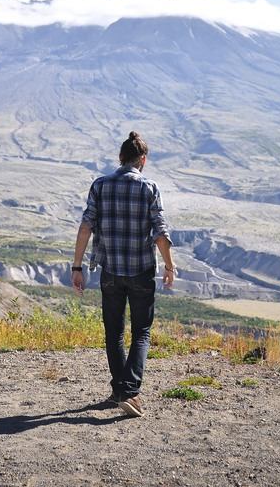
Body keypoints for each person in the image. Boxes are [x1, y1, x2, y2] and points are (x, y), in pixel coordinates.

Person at [71, 131, 175, 418]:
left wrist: (77, 267)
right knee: (141, 332)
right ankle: (129, 391)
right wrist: (169, 265)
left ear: (120, 158)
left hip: (110, 270)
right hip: (141, 270)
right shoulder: (149, 188)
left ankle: (120, 391)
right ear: (143, 160)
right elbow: (161, 233)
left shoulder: (100, 185)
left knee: (114, 333)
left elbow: (85, 227)